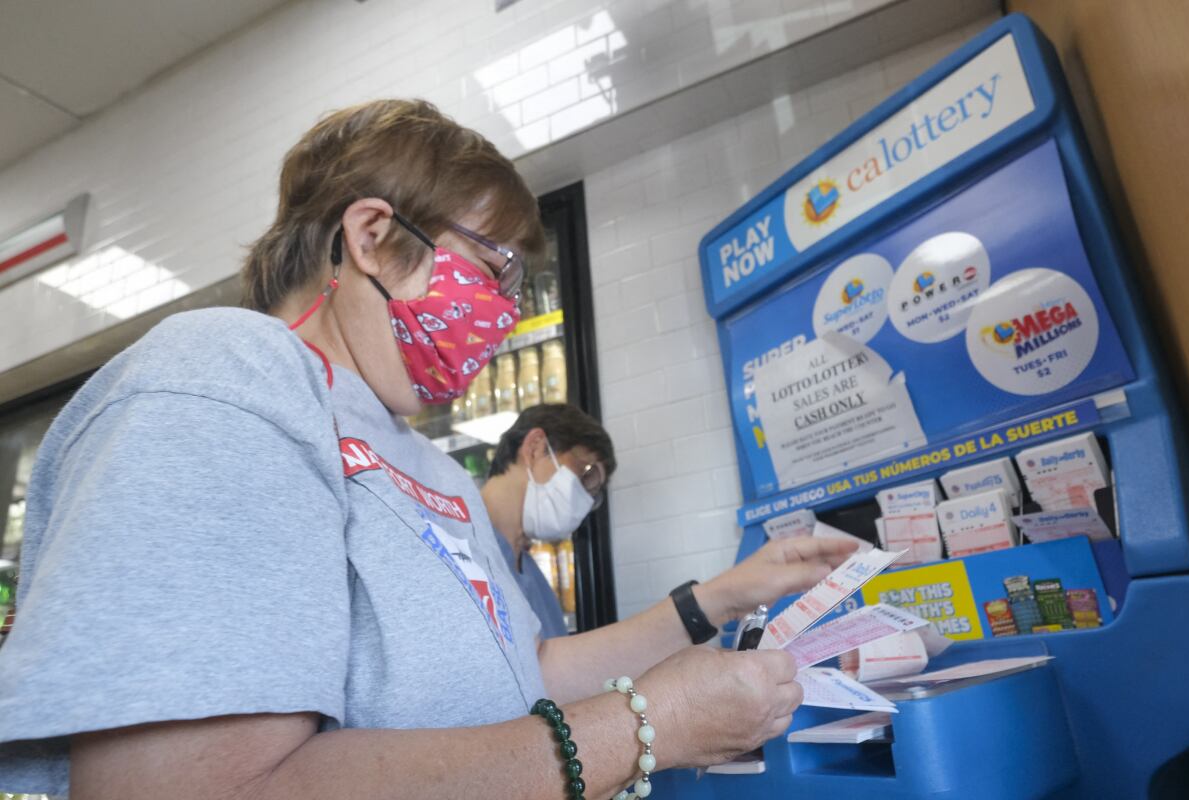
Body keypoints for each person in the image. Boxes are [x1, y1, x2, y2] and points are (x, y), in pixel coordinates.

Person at [0, 99, 857, 799]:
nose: (506, 313)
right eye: (492, 272)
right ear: (372, 235)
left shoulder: (424, 461)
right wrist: (640, 729)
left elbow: (531, 670)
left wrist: (722, 596)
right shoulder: (223, 379)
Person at [481, 403, 616, 638]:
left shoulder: (528, 570)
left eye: (592, 495)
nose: (582, 502)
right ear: (535, 448)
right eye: (585, 475)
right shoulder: (463, 550)